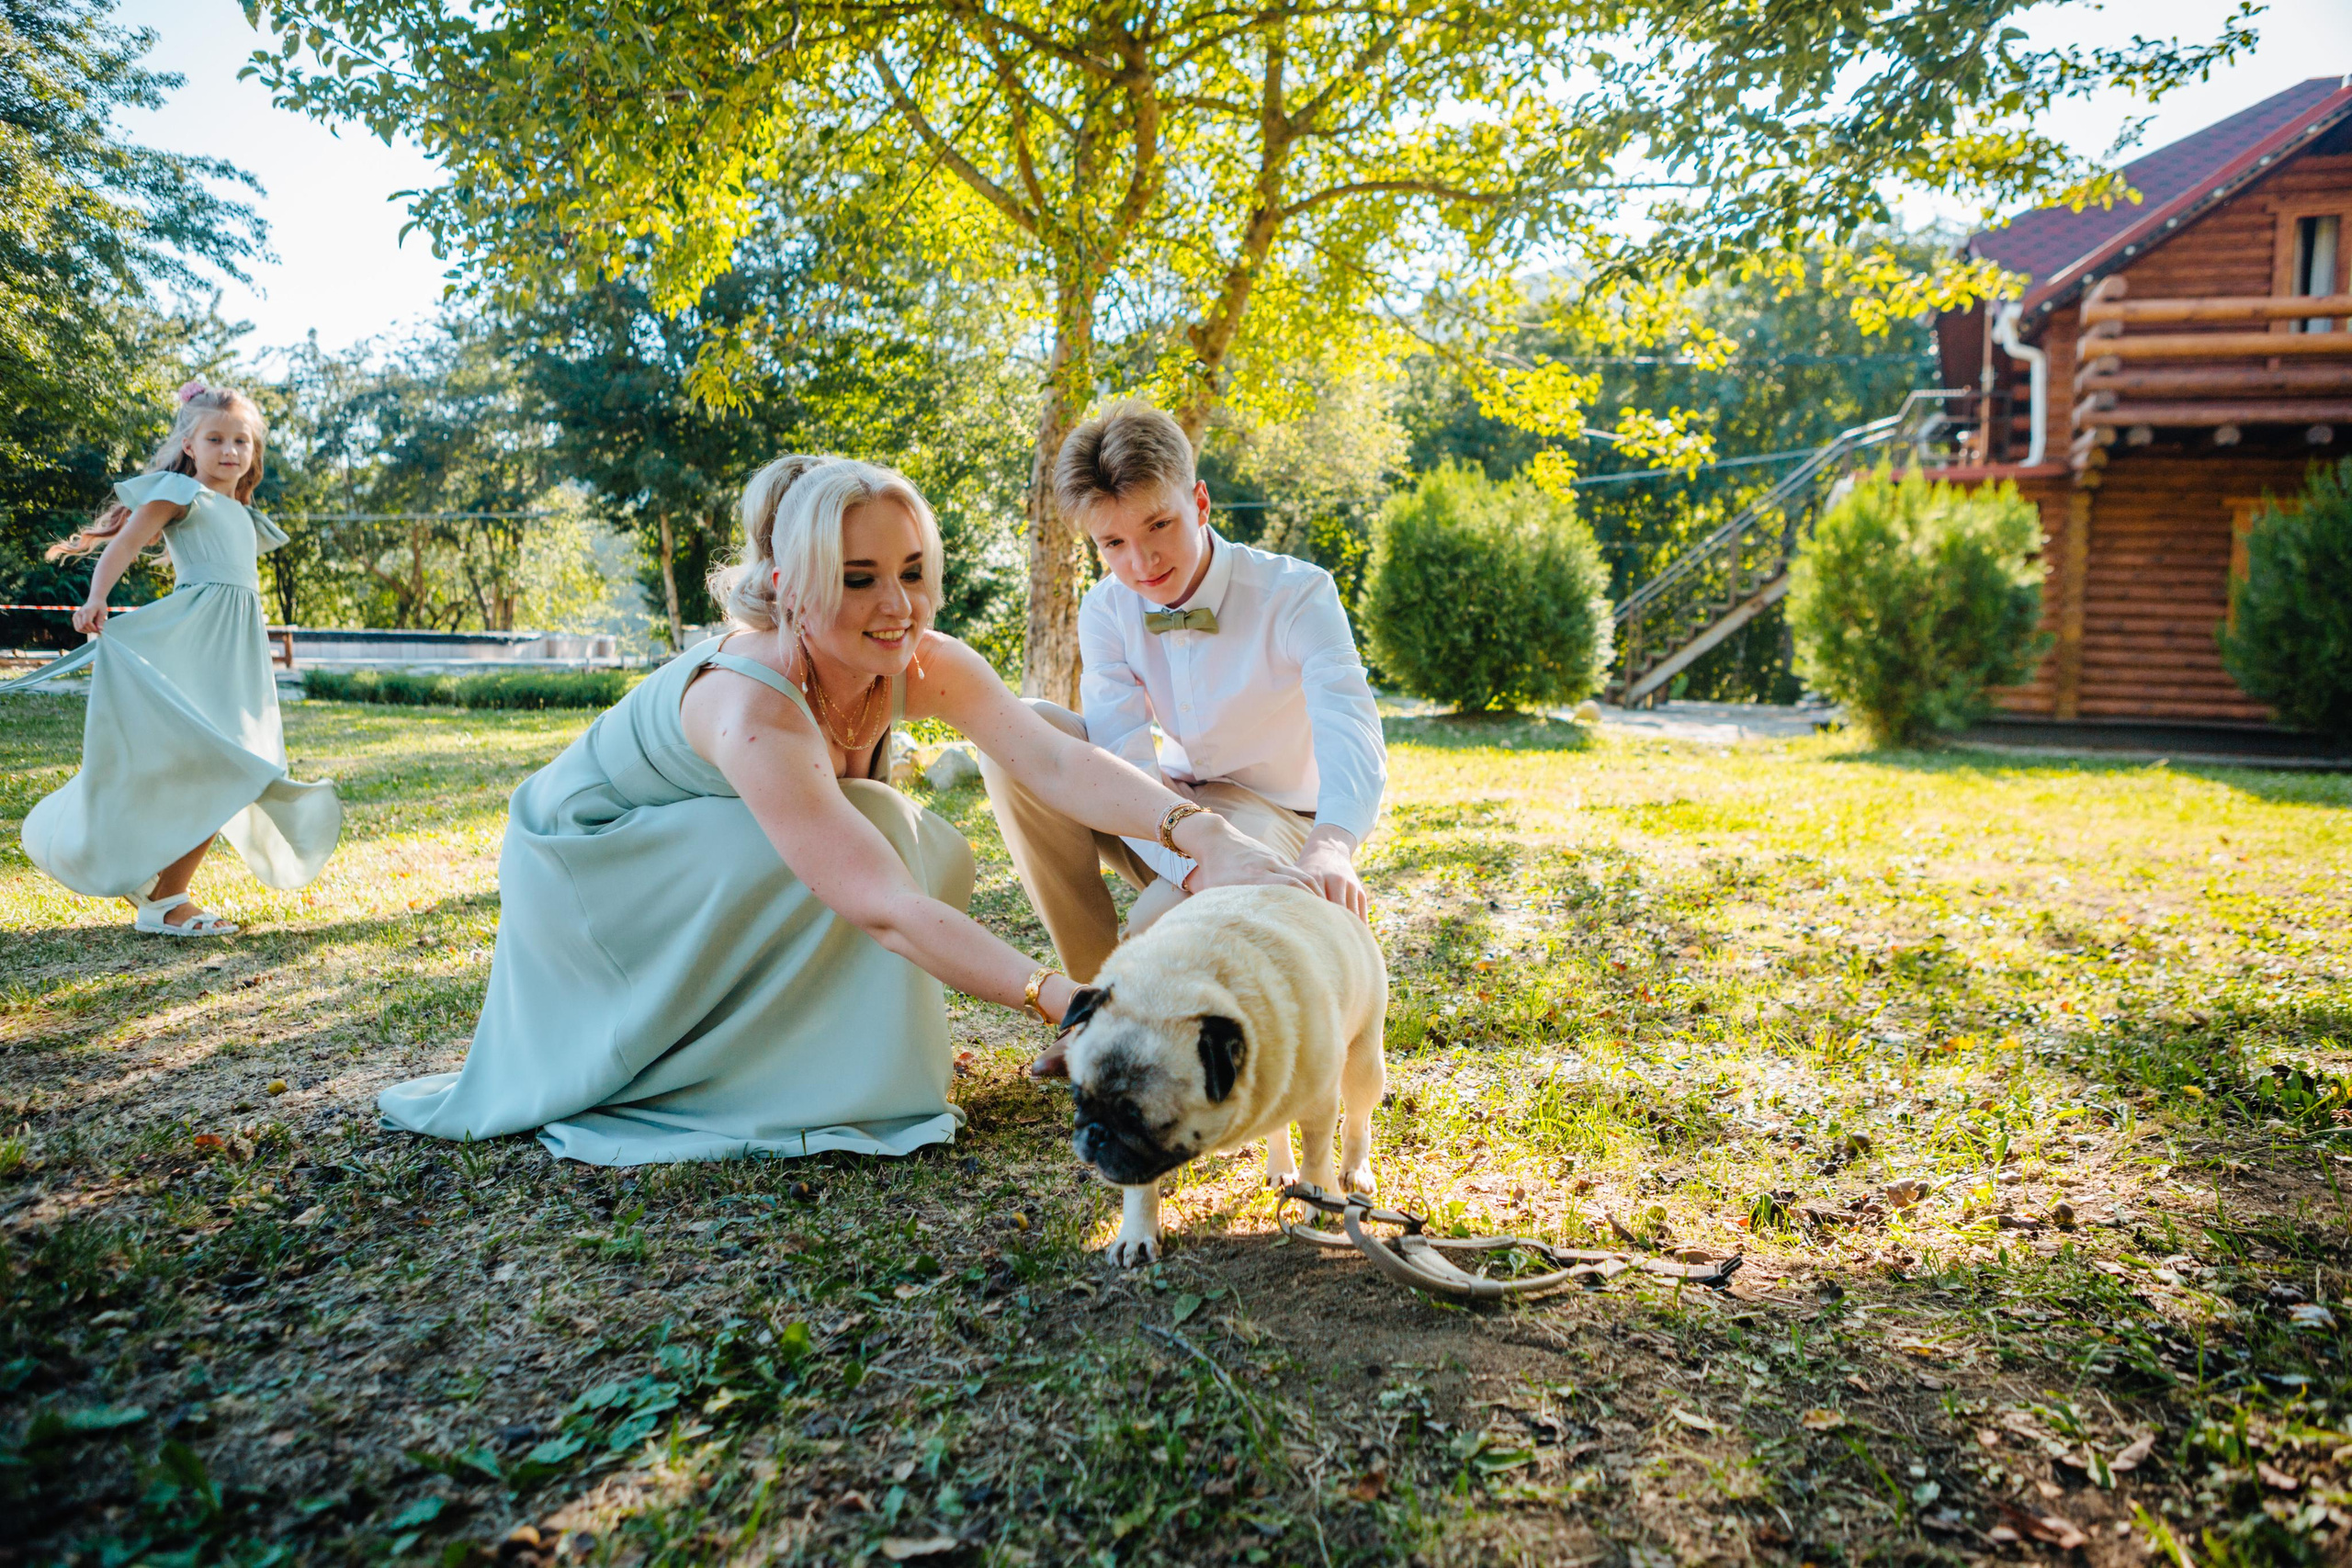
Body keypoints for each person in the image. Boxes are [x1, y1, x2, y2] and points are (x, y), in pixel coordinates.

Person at [379, 455, 1315, 1165]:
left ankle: (807, 1057)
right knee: (885, 844)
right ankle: (716, 1068)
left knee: (896, 833)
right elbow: (881, 906)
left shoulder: (922, 659)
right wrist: (1070, 1004)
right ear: (789, 583)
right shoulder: (749, 706)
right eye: (859, 578)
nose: (896, 605)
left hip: (717, 848)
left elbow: (1053, 761)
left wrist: (1207, 837)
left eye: (911, 569)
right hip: (597, 873)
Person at [981, 400, 1386, 986]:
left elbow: (1350, 725)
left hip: (1277, 817)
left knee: (1156, 926)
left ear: (1199, 503)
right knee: (1015, 735)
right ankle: (1089, 1001)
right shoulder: (1105, 609)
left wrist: (1330, 845)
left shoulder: (1298, 593)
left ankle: (1141, 980)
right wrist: (1193, 855)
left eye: (1158, 526)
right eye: (1111, 543)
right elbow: (1120, 749)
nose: (1140, 563)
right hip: (1159, 804)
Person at [0, 382, 343, 935]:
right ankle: (167, 901)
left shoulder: (240, 511)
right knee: (225, 763)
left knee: (232, 762)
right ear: (190, 443)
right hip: (195, 638)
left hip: (236, 648)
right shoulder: (182, 494)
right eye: (216, 438)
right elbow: (125, 544)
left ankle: (158, 884)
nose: (230, 451)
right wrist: (96, 598)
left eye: (241, 441)